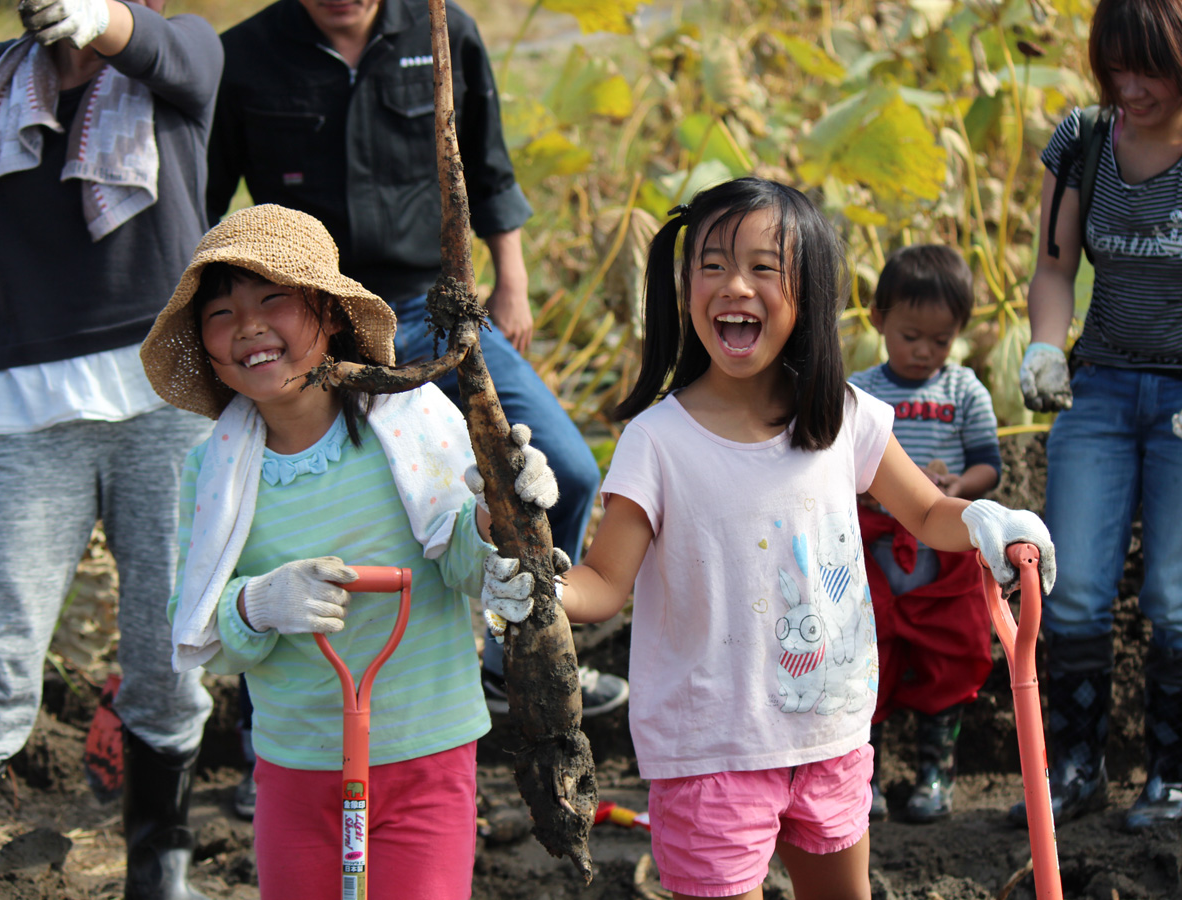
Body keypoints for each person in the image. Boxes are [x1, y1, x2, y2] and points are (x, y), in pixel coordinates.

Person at [486, 177, 1054, 900]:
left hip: (831, 737)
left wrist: (985, 523)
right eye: (713, 264)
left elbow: (927, 514)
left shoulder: (842, 416)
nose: (735, 286)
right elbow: (603, 585)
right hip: (708, 753)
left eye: (763, 267)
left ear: (810, 293)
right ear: (685, 285)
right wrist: (539, 584)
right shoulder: (657, 441)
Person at [204, 0, 623, 737]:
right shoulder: (243, 56)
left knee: (566, 470)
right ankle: (262, 724)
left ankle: (512, 658)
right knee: (299, 506)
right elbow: (207, 207)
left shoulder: (442, 29)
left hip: (433, 304)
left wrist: (512, 284)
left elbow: (487, 163)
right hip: (312, 319)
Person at [140, 203, 557, 900]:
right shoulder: (212, 473)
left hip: (425, 750)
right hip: (296, 764)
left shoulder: (412, 421)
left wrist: (497, 514)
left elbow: (459, 564)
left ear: (331, 314)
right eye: (222, 314)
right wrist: (256, 603)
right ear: (207, 348)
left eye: (274, 299)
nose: (248, 327)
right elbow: (217, 637)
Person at [0, 0, 222, 897]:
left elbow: (163, 50)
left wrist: (101, 17)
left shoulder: (181, 54)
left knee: (171, 648)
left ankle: (159, 870)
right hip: (16, 407)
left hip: (166, 393)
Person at [1015, 0, 1182, 832]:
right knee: (1072, 587)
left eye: (1149, 67)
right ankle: (1076, 772)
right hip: (1104, 389)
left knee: (1176, 594)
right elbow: (1053, 266)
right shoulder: (1085, 140)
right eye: (1116, 66)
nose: (1131, 86)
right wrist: (1047, 346)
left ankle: (1172, 777)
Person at [847, 245, 1001, 823]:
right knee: (867, 656)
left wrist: (961, 483)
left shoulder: (963, 391)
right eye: (911, 336)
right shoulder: (859, 391)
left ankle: (937, 773)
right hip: (873, 544)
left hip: (944, 546)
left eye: (940, 342)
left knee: (951, 654)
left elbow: (990, 462)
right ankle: (868, 779)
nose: (924, 352)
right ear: (878, 321)